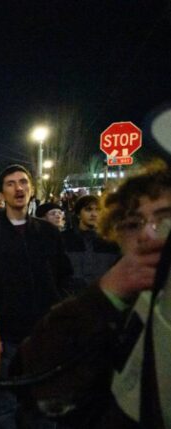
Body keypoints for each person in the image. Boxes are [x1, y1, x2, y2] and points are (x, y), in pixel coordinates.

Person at [18, 162, 171, 428]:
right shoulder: (112, 303)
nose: (148, 234)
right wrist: (103, 295)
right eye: (133, 224)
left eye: (164, 219)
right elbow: (34, 380)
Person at [0, 164, 74, 428]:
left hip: (46, 333)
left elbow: (65, 276)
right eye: (10, 183)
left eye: (23, 182)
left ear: (31, 188)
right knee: (6, 403)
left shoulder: (49, 233)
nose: (19, 188)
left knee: (46, 403)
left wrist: (58, 311)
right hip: (7, 336)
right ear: (1, 194)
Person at [61, 195, 120, 289]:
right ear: (78, 214)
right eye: (88, 210)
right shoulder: (63, 239)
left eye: (98, 210)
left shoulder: (112, 241)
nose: (94, 214)